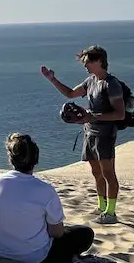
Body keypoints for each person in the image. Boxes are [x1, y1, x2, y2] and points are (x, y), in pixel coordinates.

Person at [42, 45, 125, 224]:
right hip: (89, 132)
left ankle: (111, 213)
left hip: (105, 134)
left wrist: (91, 116)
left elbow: (120, 114)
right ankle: (101, 207)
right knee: (96, 173)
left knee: (108, 173)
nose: (85, 66)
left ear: (99, 61)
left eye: (87, 62)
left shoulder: (111, 84)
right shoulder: (90, 81)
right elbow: (70, 94)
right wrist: (53, 79)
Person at [0, 133, 95, 263]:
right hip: (32, 256)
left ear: (11, 159)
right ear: (36, 159)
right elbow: (57, 233)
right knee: (85, 233)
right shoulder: (45, 190)